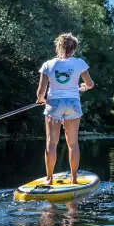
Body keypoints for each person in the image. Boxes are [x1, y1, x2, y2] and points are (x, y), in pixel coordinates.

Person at [36, 33, 95, 185]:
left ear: (59, 46)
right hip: (73, 103)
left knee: (51, 143)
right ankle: (73, 179)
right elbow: (90, 84)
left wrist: (40, 100)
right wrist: (82, 88)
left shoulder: (48, 65)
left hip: (54, 103)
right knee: (73, 144)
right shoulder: (79, 63)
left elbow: (41, 91)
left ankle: (49, 179)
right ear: (74, 48)